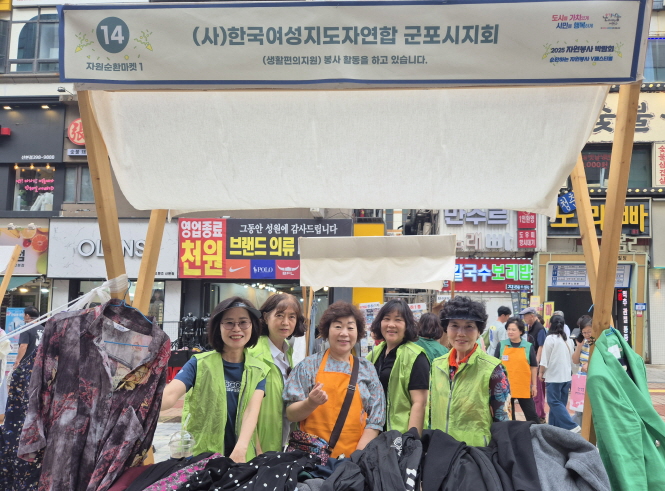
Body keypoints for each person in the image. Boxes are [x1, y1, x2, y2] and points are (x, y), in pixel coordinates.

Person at [161, 297, 269, 462]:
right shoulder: (199, 363)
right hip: (202, 456)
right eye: (229, 323)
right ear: (218, 327)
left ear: (252, 326)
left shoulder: (259, 370)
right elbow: (169, 396)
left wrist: (240, 450)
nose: (236, 328)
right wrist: (139, 400)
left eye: (243, 322)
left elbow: (251, 413)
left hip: (241, 456)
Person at [284, 302, 385, 457]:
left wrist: (356, 458)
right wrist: (310, 403)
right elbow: (291, 414)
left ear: (358, 332)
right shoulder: (308, 366)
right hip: (310, 460)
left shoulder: (367, 369)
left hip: (353, 461)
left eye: (350, 327)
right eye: (338, 326)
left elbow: (376, 420)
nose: (344, 333)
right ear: (327, 330)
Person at [430, 296, 511, 446]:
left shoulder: (493, 370)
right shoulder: (437, 365)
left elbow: (503, 420)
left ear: (479, 331)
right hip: (440, 449)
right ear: (446, 329)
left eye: (469, 326)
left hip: (475, 453)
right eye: (454, 326)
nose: (461, 333)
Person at [248, 293, 306, 452]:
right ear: (266, 317)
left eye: (292, 316)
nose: (285, 322)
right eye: (279, 315)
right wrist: (256, 448)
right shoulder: (254, 354)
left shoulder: (287, 351)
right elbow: (244, 407)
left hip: (281, 439)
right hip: (260, 445)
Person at [367, 299, 430, 435]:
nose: (391, 324)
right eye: (386, 319)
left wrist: (410, 440)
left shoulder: (416, 356)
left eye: (398, 320)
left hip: (400, 435)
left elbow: (419, 403)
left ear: (407, 325)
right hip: (372, 432)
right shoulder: (374, 354)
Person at [493, 317, 539, 423]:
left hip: (523, 386)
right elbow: (495, 365)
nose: (510, 332)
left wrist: (534, 385)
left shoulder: (528, 346)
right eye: (509, 329)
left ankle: (536, 432)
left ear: (521, 331)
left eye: (513, 330)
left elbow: (533, 367)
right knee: (509, 417)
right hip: (505, 387)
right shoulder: (502, 345)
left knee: (532, 415)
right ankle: (512, 433)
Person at [538, 314, 579, 432]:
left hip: (554, 376)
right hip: (566, 376)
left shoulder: (550, 338)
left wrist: (541, 372)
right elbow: (572, 359)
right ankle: (554, 429)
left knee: (553, 402)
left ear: (551, 324)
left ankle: (571, 425)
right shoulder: (568, 339)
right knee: (560, 403)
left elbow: (545, 359)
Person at [520, 307, 548, 423]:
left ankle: (540, 416)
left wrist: (535, 363)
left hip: (536, 364)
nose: (524, 319)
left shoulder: (539, 329)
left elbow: (541, 346)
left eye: (525, 317)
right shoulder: (531, 328)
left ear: (532, 316)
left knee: (538, 393)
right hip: (532, 363)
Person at [571, 315, 593, 427]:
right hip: (580, 380)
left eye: (589, 332)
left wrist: (589, 364)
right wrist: (579, 346)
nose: (587, 335)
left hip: (591, 380)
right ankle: (580, 432)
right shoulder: (584, 342)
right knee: (579, 411)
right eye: (584, 332)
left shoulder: (596, 343)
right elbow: (575, 360)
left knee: (590, 410)